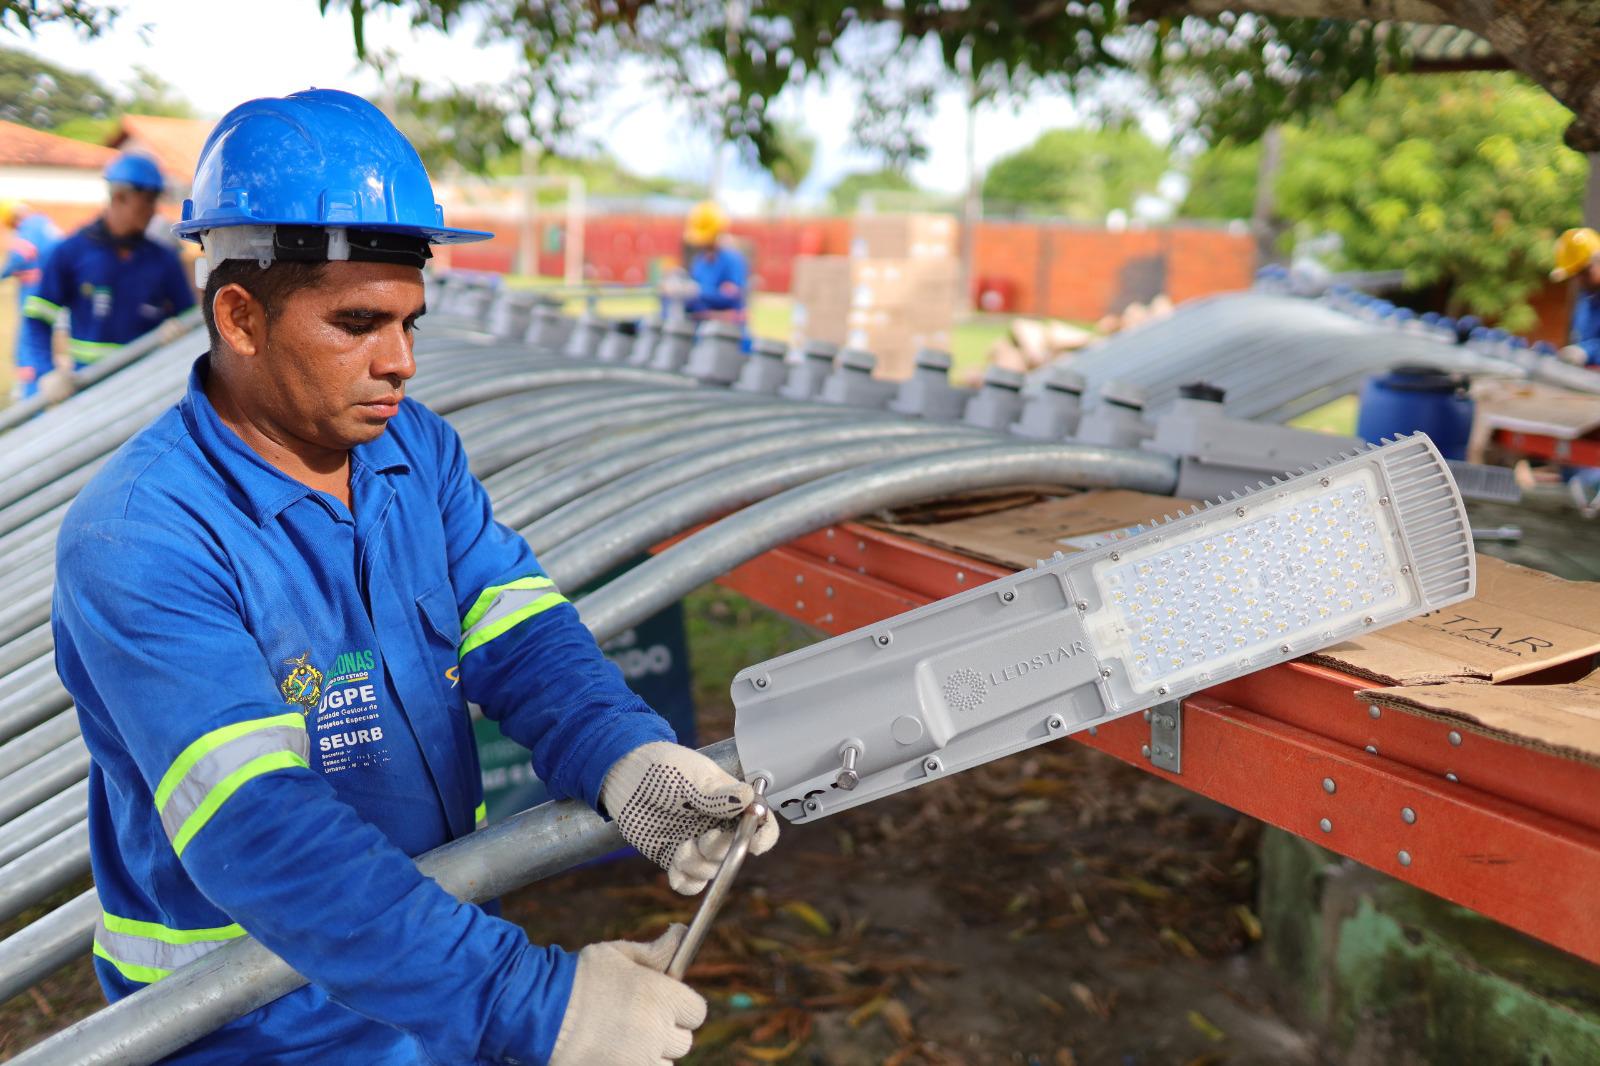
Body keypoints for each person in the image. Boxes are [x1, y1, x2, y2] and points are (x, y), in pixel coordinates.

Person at [52, 89, 776, 1066]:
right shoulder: (142, 538)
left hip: (421, 970)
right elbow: (261, 829)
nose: (398, 363)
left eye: (411, 323)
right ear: (241, 316)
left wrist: (621, 753)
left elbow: (514, 629)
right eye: (357, 323)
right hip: (251, 1024)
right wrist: (534, 1004)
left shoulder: (413, 454)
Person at [20, 151, 194, 394]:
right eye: (147, 201)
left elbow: (189, 318)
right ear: (120, 197)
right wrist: (46, 373)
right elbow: (37, 318)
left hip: (145, 387)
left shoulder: (163, 260)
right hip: (89, 387)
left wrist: (178, 334)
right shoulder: (71, 253)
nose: (153, 210)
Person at [0, 200, 61, 399]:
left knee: (28, 343)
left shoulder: (30, 227)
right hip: (48, 290)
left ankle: (30, 396)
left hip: (34, 292)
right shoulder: (44, 223)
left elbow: (20, 255)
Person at [663, 200, 749, 335]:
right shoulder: (700, 261)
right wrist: (681, 286)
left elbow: (730, 295)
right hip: (701, 331)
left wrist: (698, 291)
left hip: (725, 335)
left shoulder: (732, 260)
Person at [1551, 226, 1600, 368]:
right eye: (1574, 275)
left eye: (1583, 272)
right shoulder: (1587, 298)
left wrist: (1586, 352)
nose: (1579, 280)